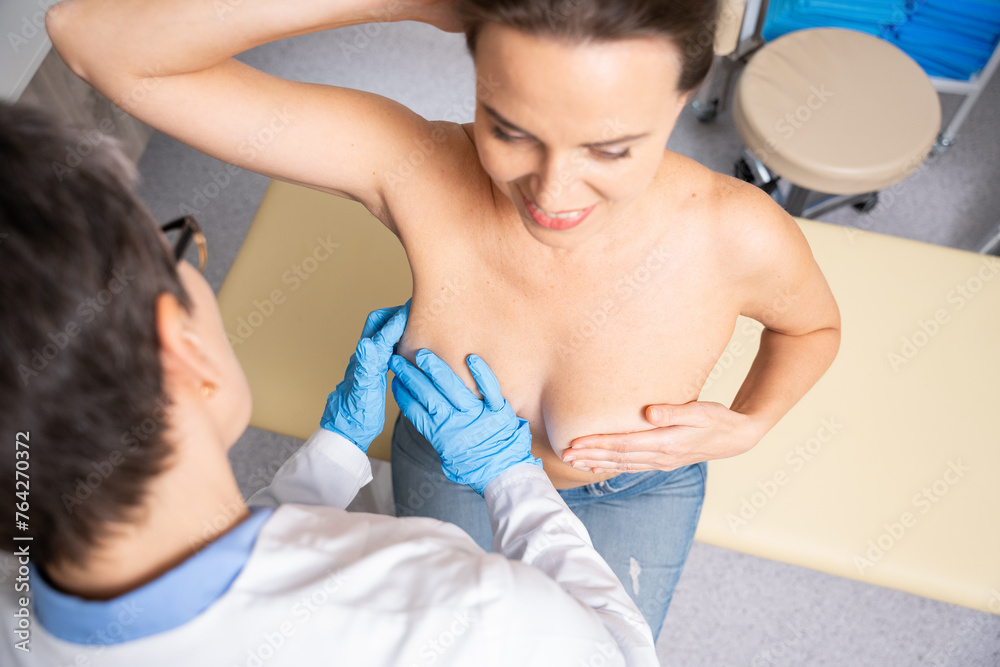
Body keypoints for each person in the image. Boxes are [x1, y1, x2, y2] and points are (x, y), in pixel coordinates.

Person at [46, 0, 842, 636]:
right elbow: (94, 39)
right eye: (510, 129)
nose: (553, 193)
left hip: (640, 492)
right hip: (450, 471)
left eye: (611, 148)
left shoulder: (737, 231)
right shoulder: (414, 168)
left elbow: (812, 327)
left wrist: (753, 421)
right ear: (474, 69)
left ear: (683, 100)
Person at [0, 103, 658, 665]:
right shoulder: (451, 603)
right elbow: (617, 649)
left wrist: (340, 445)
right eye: (176, 249)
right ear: (179, 342)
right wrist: (510, 475)